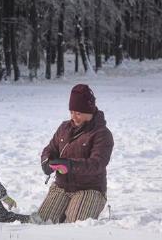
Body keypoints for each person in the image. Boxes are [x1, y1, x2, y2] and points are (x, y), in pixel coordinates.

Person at [35, 84, 114, 224]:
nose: (74, 117)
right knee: (41, 222)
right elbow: (50, 149)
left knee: (74, 224)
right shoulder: (64, 127)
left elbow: (97, 163)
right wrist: (46, 162)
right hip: (61, 187)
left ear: (89, 111)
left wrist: (71, 165)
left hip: (90, 189)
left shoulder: (102, 134)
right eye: (71, 112)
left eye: (78, 113)